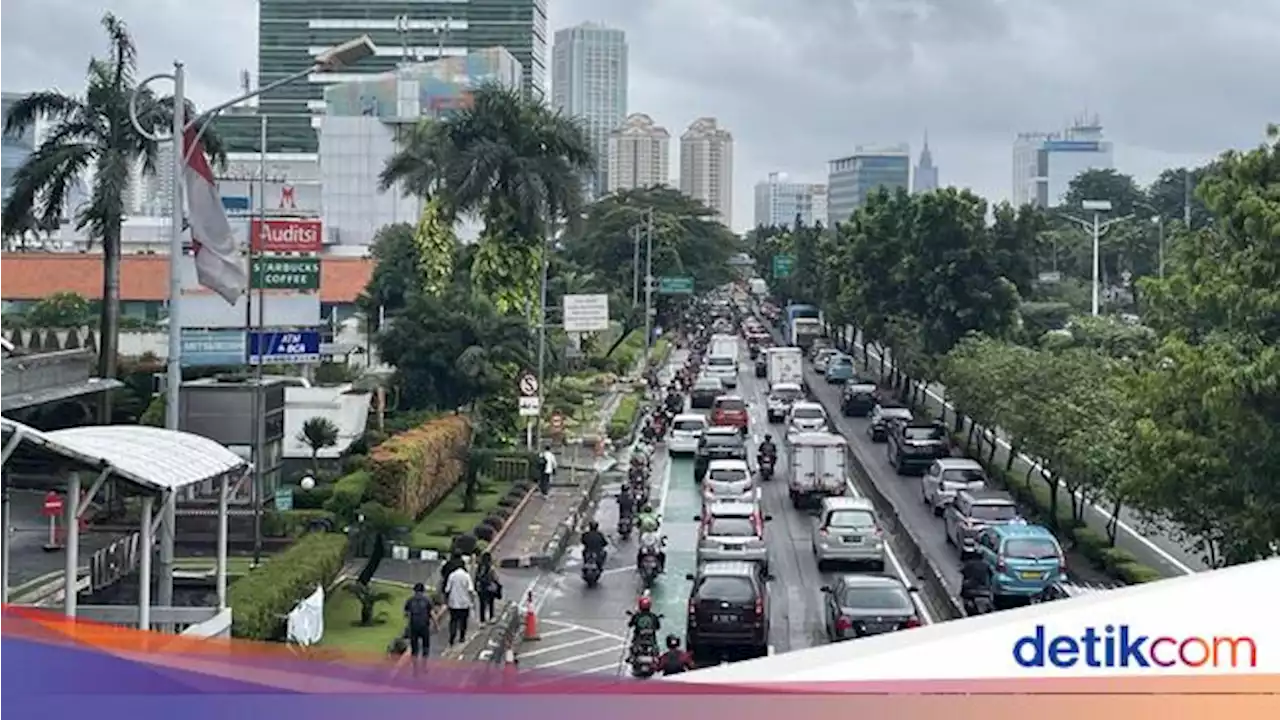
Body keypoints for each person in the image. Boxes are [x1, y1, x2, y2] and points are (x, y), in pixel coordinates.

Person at [403, 582, 437, 670]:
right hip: (424, 626)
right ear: (423, 591)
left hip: (413, 626)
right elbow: (432, 613)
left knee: (414, 648)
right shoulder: (427, 600)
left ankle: (415, 668)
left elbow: (406, 614)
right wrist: (436, 625)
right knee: (426, 646)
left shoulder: (410, 600)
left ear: (414, 590)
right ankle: (424, 665)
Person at [444, 558, 476, 646]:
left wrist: (446, 601)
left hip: (453, 602)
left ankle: (452, 637)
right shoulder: (466, 576)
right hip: (464, 603)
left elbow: (447, 589)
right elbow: (470, 590)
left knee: (453, 620)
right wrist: (472, 601)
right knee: (463, 621)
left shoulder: (452, 575)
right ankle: (462, 637)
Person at [635, 506, 665, 572]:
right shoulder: (655, 535)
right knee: (662, 555)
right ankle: (662, 568)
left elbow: (637, 524)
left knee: (640, 554)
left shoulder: (643, 535)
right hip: (652, 547)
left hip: (647, 546)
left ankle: (639, 567)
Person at [474, 552, 502, 624]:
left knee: (482, 605)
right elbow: (495, 578)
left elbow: (476, 577)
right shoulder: (491, 568)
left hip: (481, 588)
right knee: (491, 603)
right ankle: (491, 617)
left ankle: (482, 621)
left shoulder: (479, 567)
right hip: (489, 588)